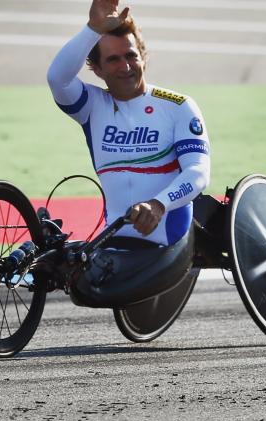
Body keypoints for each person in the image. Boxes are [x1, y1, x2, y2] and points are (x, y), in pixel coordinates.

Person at [47, 0, 211, 246]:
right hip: (114, 239)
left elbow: (198, 172)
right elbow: (57, 79)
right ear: (97, 69)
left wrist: (159, 204)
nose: (125, 66)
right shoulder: (92, 105)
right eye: (113, 59)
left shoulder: (178, 105)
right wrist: (93, 28)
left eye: (131, 55)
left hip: (168, 238)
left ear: (143, 56)